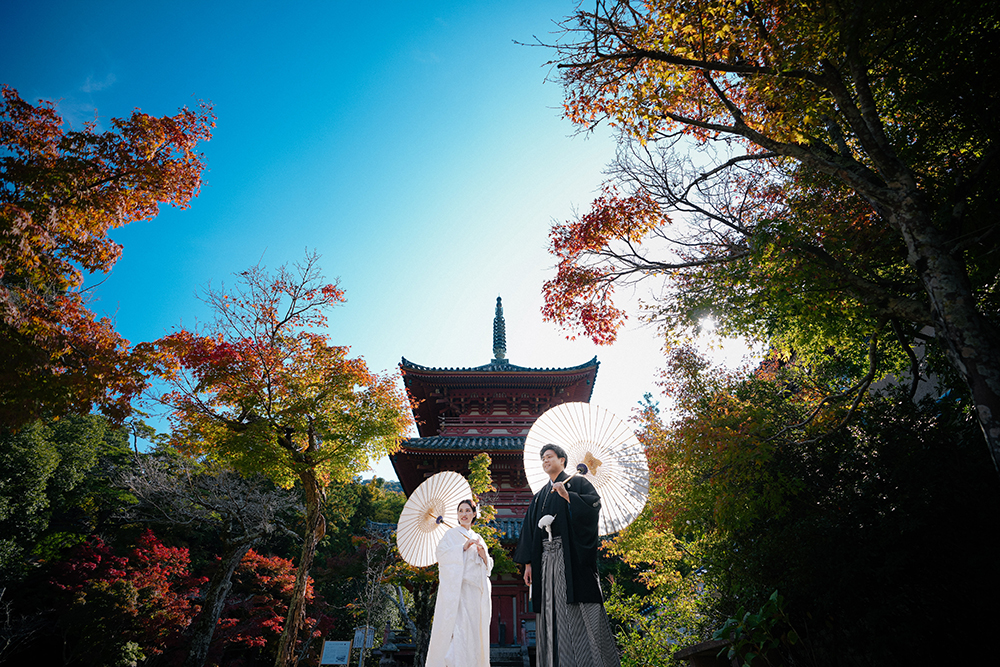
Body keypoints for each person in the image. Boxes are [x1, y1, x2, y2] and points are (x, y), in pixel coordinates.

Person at [513, 444, 620, 667]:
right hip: (544, 561)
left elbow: (592, 508)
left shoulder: (579, 483)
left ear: (562, 460)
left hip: (569, 557)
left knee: (576, 608)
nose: (545, 461)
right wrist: (529, 564)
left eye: (549, 457)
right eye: (543, 458)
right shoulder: (540, 496)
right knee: (550, 611)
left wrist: (568, 496)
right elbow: (530, 530)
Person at [425, 499, 493, 667]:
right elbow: (440, 555)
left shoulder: (478, 537)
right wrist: (461, 548)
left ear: (474, 514)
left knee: (473, 633)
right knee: (459, 631)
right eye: (460, 511)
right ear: (457, 515)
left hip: (475, 594)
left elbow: (488, 568)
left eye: (467, 510)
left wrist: (484, 556)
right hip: (458, 592)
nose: (464, 514)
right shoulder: (450, 535)